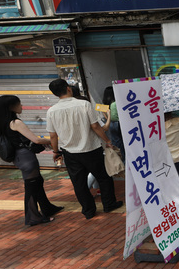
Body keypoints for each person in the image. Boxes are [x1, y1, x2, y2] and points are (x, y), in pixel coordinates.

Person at [46, 79, 122, 219]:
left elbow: (53, 135)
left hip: (69, 152)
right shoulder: (84, 104)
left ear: (55, 94)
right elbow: (95, 126)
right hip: (91, 149)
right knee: (104, 178)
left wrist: (56, 152)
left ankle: (88, 211)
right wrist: (107, 140)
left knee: (79, 183)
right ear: (68, 88)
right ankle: (109, 204)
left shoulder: (51, 111)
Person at [0, 95, 63, 226]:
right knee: (32, 187)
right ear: (11, 107)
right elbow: (36, 140)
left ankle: (47, 208)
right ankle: (33, 217)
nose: (21, 106)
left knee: (37, 182)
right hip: (26, 158)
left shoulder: (2, 124)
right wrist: (52, 141)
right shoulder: (16, 123)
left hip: (19, 158)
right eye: (19, 104)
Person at [103, 86, 125, 160]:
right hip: (119, 123)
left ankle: (120, 159)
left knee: (117, 143)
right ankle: (125, 158)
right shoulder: (116, 103)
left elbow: (105, 116)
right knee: (123, 141)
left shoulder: (104, 104)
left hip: (111, 124)